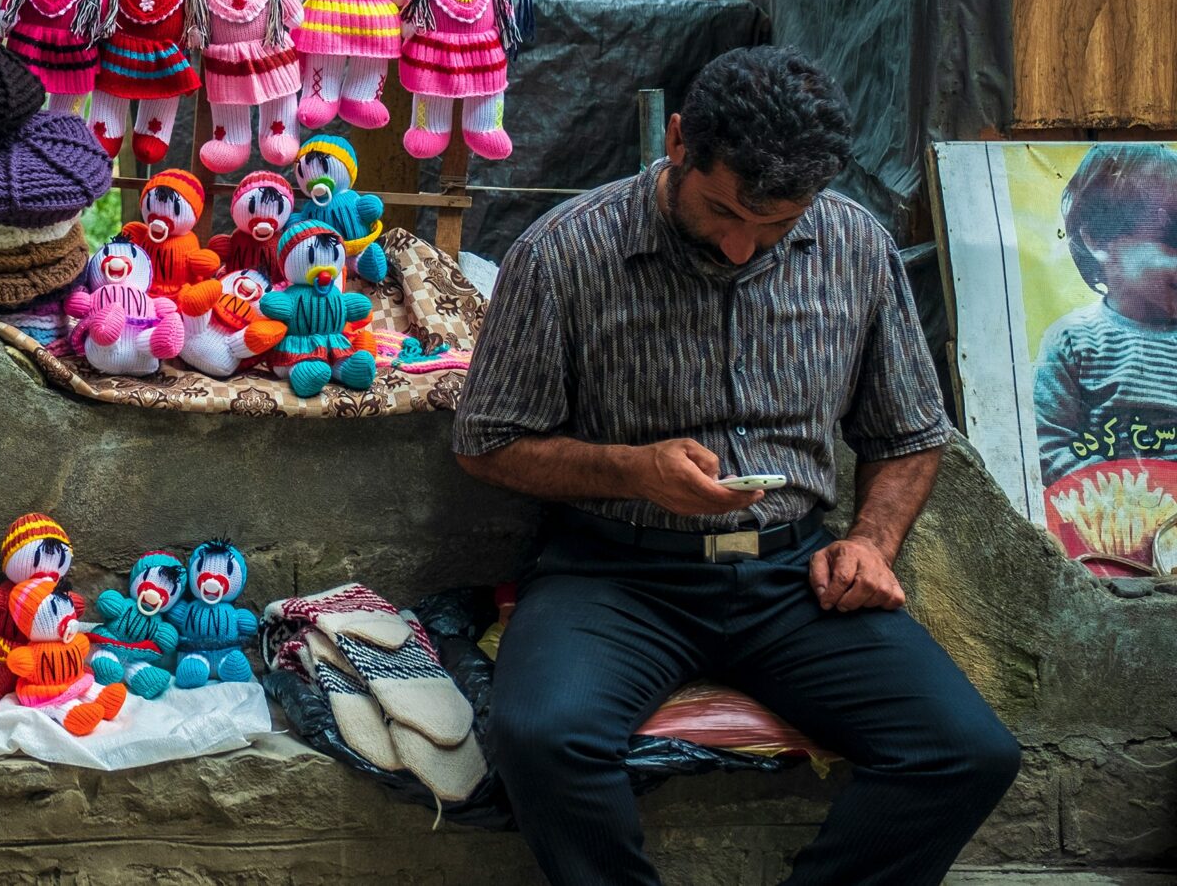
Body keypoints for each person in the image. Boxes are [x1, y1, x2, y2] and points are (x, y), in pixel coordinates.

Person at [454, 46, 1019, 886]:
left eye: (777, 226)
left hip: (795, 575)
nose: (740, 246)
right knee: (541, 737)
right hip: (614, 571)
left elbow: (907, 432)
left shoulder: (855, 246)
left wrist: (872, 541)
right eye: (721, 210)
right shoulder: (564, 253)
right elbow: (486, 441)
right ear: (679, 141)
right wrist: (632, 471)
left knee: (965, 751)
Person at [1033, 142, 1177, 482]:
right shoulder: (1074, 342)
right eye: (1171, 238)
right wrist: (1115, 497)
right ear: (1099, 239)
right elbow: (1047, 444)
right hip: (1107, 522)